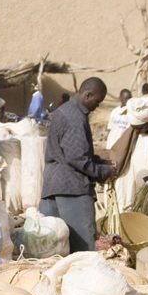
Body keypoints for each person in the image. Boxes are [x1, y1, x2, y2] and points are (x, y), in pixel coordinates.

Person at [39, 77, 115, 253]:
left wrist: (100, 161)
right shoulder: (75, 117)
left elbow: (71, 152)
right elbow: (77, 158)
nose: (97, 106)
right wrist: (103, 171)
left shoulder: (65, 111)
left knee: (51, 250)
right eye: (97, 101)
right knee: (83, 249)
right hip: (71, 188)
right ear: (87, 95)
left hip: (53, 184)